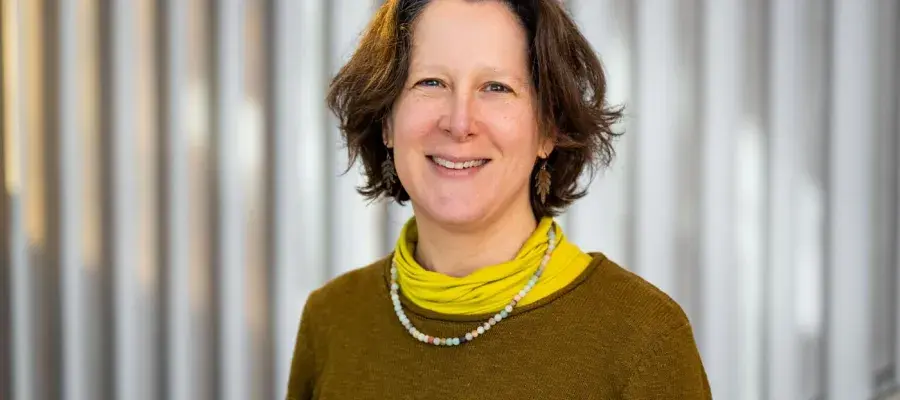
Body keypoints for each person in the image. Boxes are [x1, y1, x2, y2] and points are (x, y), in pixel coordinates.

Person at [287, 0, 711, 398]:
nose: (459, 122)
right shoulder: (330, 322)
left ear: (548, 129)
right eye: (430, 82)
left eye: (496, 87)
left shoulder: (643, 339)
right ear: (386, 121)